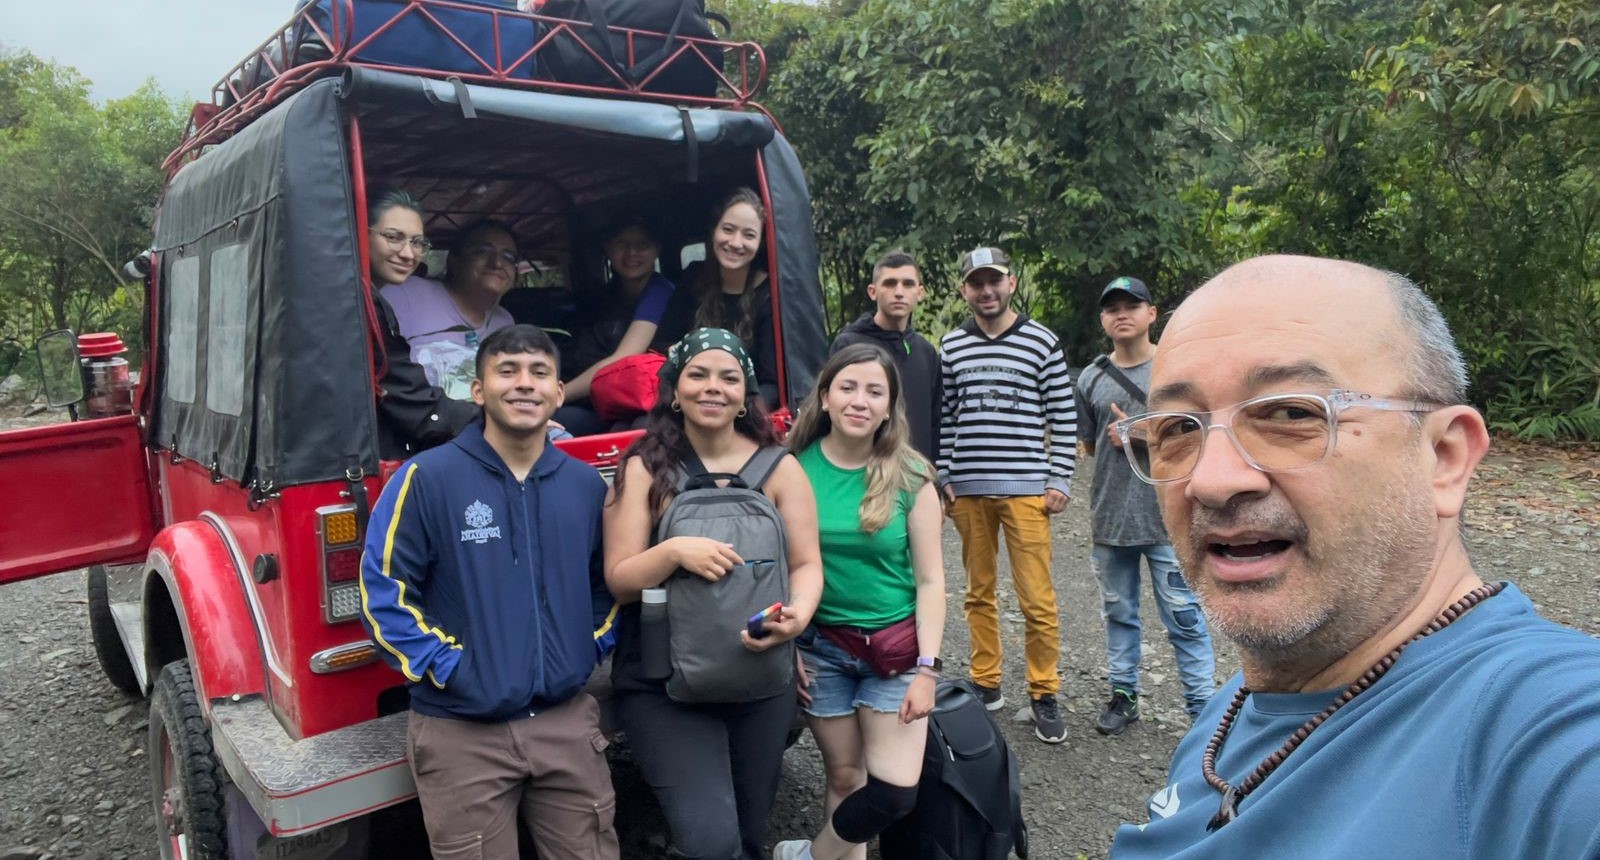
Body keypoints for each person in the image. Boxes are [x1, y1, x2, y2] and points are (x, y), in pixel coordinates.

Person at [1111, 255, 1600, 858]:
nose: (1210, 482)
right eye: (1178, 429)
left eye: (1292, 413)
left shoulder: (1543, 729)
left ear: (1445, 457)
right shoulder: (1230, 711)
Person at [359, 324, 620, 859]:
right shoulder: (426, 479)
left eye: (539, 373)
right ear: (477, 391)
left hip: (566, 723)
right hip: (461, 733)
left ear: (558, 391)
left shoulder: (587, 486)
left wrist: (588, 646)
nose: (524, 384)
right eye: (507, 371)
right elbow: (384, 590)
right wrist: (448, 667)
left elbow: (609, 583)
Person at [603, 328, 823, 860]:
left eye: (729, 377)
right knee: (711, 842)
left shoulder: (781, 468)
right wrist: (673, 552)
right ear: (674, 390)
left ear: (746, 394)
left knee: (748, 835)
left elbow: (808, 564)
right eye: (697, 375)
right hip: (665, 686)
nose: (713, 388)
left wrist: (798, 617)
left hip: (759, 680)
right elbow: (620, 579)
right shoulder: (643, 468)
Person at [773, 343, 947, 860]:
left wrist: (928, 670)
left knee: (892, 791)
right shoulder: (789, 469)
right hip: (819, 649)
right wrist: (789, 645)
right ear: (824, 397)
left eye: (875, 391)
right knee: (846, 778)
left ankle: (807, 857)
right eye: (847, 387)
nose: (859, 400)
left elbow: (932, 582)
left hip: (894, 654)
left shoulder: (912, 476)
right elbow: (775, 568)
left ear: (890, 405)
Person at [937, 246, 1077, 745]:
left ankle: (1043, 690)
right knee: (978, 592)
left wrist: (1060, 478)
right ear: (964, 291)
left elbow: (1063, 415)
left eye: (994, 280)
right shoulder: (951, 346)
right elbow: (946, 415)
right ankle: (986, 681)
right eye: (976, 283)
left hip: (1026, 490)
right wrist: (943, 474)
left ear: (1011, 283)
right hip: (968, 489)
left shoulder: (1041, 342)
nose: (986, 290)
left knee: (1037, 597)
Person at [1077, 276, 1215, 735]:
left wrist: (1142, 434)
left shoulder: (1176, 371)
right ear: (1103, 319)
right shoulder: (1091, 377)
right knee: (1118, 615)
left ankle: (1203, 711)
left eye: (1132, 305)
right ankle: (1124, 695)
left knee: (1185, 619)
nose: (1122, 313)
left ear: (1152, 314)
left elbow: (1203, 436)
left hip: (1169, 521)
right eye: (1112, 307)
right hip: (1110, 519)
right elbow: (1090, 448)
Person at [364, 186, 480, 459]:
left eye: (417, 242)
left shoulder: (371, 297)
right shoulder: (358, 300)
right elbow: (410, 399)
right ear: (361, 232)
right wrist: (496, 419)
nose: (408, 254)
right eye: (393, 237)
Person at [553, 216, 677, 436]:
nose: (632, 253)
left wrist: (557, 395)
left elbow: (626, 356)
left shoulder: (659, 290)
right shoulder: (604, 295)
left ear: (657, 249)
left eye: (642, 245)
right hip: (604, 399)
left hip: (638, 398)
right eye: (622, 244)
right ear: (607, 248)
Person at [658, 188, 780, 406]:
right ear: (714, 231)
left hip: (741, 406)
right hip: (687, 400)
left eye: (749, 235)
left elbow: (772, 383)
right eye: (728, 229)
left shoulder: (769, 295)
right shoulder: (692, 279)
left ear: (760, 242)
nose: (735, 242)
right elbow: (663, 344)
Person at [382, 219, 519, 402]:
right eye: (482, 252)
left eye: (508, 257)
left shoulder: (504, 321)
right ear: (454, 261)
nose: (497, 263)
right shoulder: (405, 294)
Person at [829, 251, 941, 465]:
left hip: (916, 474)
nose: (899, 292)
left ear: (920, 292)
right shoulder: (849, 344)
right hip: (863, 469)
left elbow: (936, 423)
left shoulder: (925, 351)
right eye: (890, 283)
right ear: (873, 291)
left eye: (908, 284)